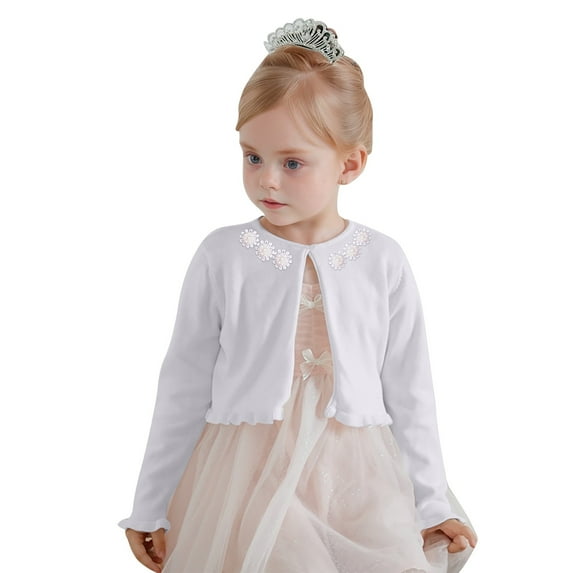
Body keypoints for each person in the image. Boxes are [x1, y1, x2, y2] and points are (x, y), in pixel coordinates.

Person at [119, 17, 478, 573]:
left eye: (292, 163)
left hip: (359, 479)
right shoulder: (224, 256)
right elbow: (183, 385)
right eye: (252, 156)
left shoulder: (381, 260)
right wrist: (151, 503)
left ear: (349, 163)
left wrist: (431, 502)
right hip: (248, 479)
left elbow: (411, 390)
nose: (267, 179)